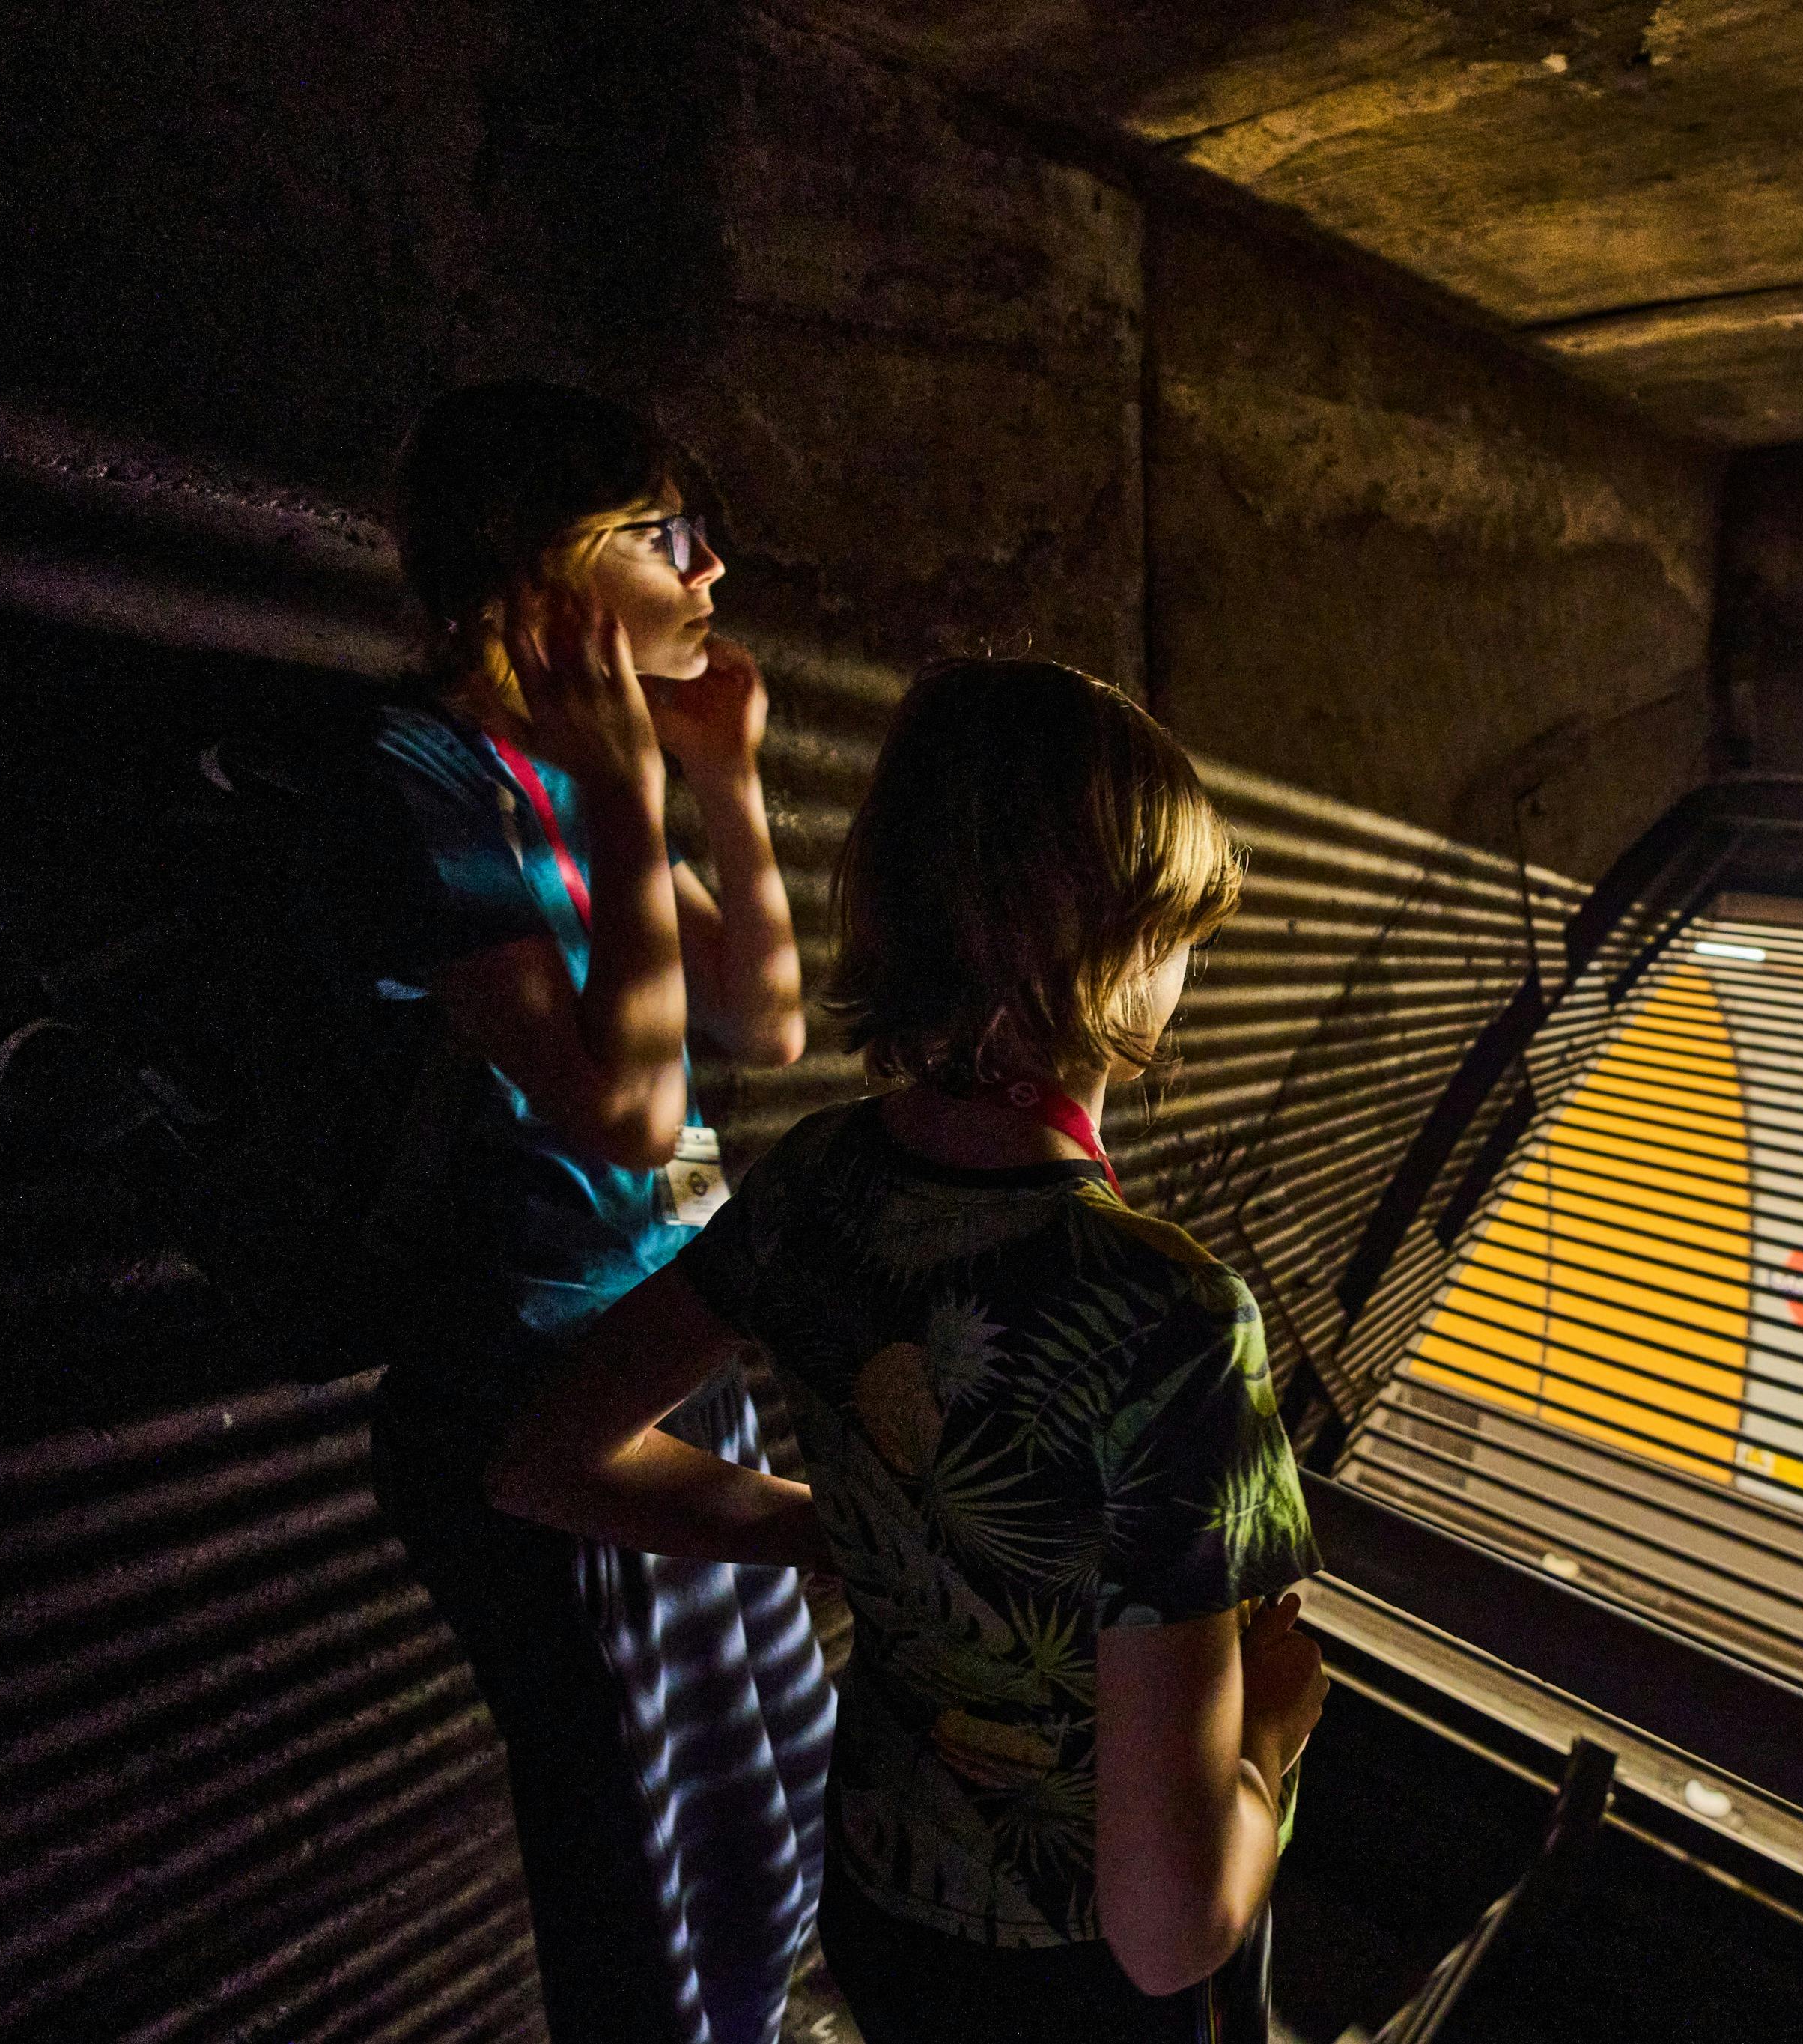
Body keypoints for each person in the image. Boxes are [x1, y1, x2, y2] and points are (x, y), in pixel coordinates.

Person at [490, 657, 1329, 2044]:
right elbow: (1171, 1927)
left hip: (884, 1904)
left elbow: (542, 1460)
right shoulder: (1170, 1320)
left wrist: (862, 1534)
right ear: (1111, 944)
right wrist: (1273, 1738)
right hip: (1078, 1996)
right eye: (1178, 930)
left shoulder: (821, 1180)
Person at [365, 380, 834, 2044]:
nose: (711, 572)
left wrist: (719, 779)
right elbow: (629, 1115)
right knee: (649, 1870)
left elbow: (767, 1024)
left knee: (771, 1805)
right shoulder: (422, 775)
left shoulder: (569, 766)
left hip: (653, 1349)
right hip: (533, 1390)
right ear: (542, 566)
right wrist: (633, 795)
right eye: (666, 534)